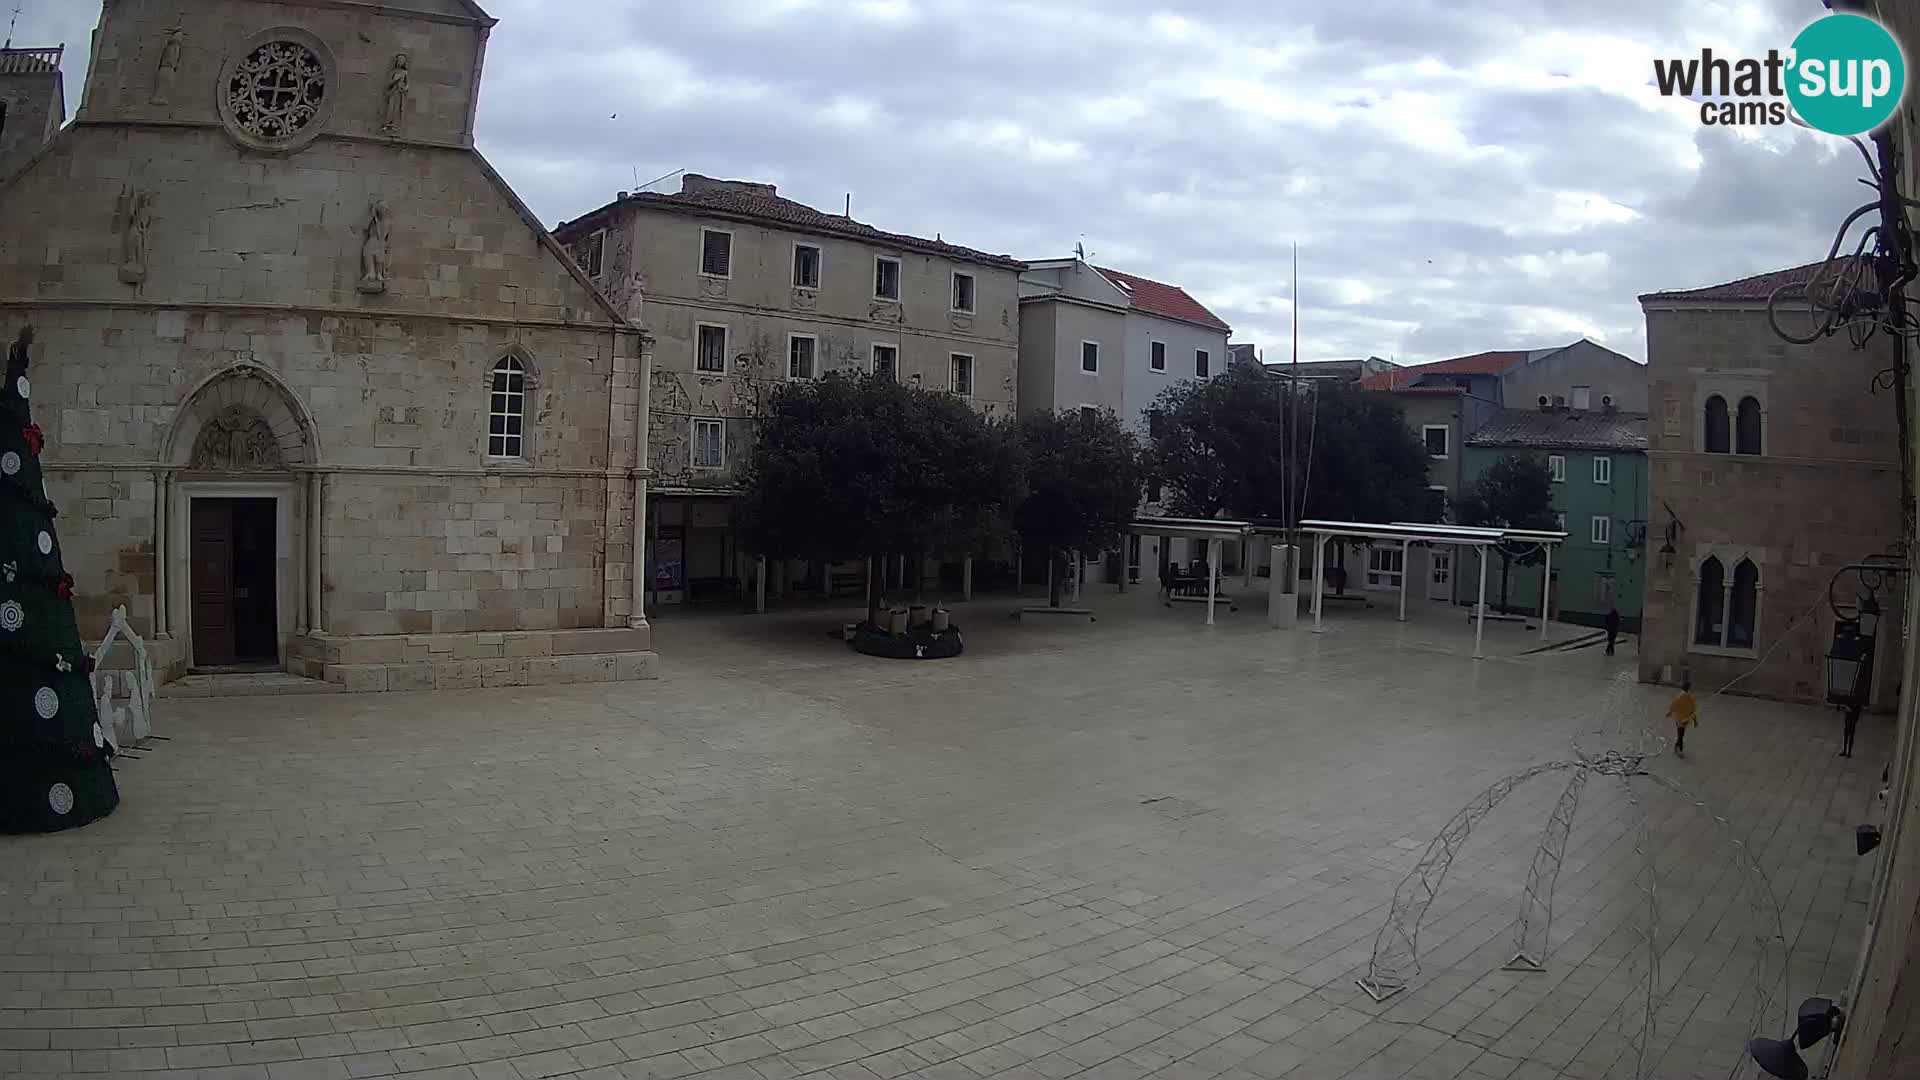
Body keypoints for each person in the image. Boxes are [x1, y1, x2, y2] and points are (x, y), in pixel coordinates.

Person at [1666, 678, 1699, 758]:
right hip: (1684, 720)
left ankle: (1677, 747)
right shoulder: (1692, 698)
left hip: (1678, 719)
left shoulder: (1679, 696)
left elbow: (1673, 705)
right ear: (1689, 688)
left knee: (1680, 734)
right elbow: (1693, 711)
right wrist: (1695, 721)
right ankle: (1679, 749)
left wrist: (1669, 712)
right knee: (1681, 735)